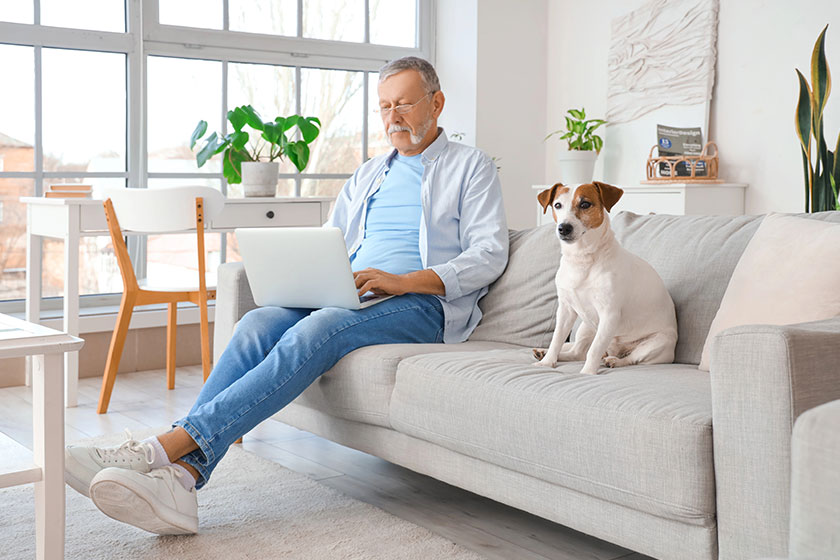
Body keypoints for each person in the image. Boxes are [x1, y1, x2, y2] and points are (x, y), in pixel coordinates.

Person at [64, 56, 509, 535]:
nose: (392, 118)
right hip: (349, 289)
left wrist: (405, 280)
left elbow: (489, 253)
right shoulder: (368, 174)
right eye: (384, 107)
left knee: (317, 329)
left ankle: (156, 450)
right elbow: (332, 239)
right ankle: (181, 479)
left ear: (436, 103)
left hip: (422, 304)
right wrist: (310, 270)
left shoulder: (471, 167)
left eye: (403, 104)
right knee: (256, 323)